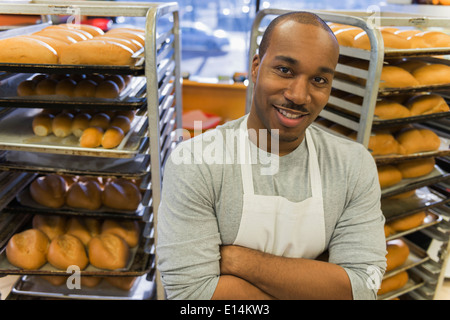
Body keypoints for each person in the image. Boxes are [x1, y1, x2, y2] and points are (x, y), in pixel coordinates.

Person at [157, 11, 387, 300]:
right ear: (256, 68)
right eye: (285, 70)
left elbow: (364, 288)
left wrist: (238, 261)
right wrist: (317, 282)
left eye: (318, 79)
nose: (299, 95)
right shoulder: (196, 163)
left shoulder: (353, 166)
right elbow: (191, 296)